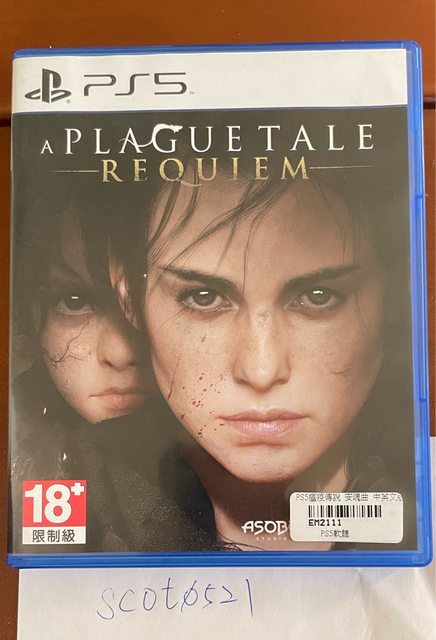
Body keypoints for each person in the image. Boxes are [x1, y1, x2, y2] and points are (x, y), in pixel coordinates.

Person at [118, 137, 416, 552]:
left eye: (318, 297)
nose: (261, 370)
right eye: (203, 297)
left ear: (397, 294)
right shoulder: (70, 488)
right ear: (129, 299)